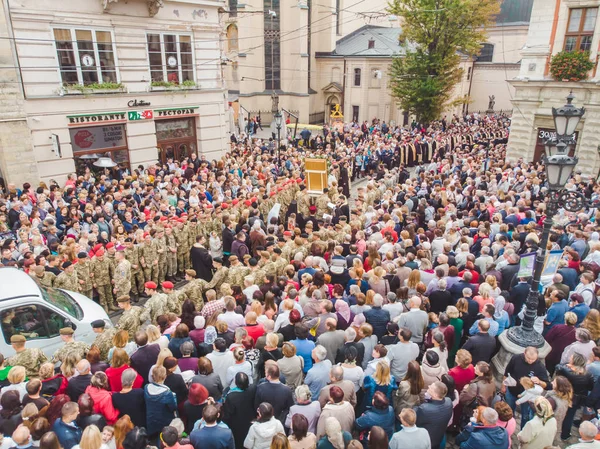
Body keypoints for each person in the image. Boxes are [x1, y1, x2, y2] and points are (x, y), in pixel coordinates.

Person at [503, 347, 550, 428]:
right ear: (524, 353)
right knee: (508, 411)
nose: (530, 361)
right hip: (511, 391)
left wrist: (539, 381)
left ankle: (522, 431)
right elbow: (507, 372)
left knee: (525, 416)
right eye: (528, 358)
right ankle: (509, 427)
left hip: (527, 396)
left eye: (533, 359)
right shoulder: (516, 358)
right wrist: (503, 386)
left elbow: (548, 385)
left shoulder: (540, 367)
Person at [222, 373, 257, 449]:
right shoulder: (253, 389)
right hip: (249, 421)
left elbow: (228, 414)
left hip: (237, 425)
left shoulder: (231, 397)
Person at [415, 381, 453, 449]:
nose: (428, 386)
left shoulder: (424, 409)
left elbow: (417, 422)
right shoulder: (449, 401)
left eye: (431, 388)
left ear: (435, 395)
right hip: (439, 436)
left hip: (427, 439)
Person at [144, 365, 177, 438]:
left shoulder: (146, 387)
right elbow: (173, 407)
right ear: (165, 376)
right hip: (164, 420)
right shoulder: (167, 392)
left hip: (151, 419)